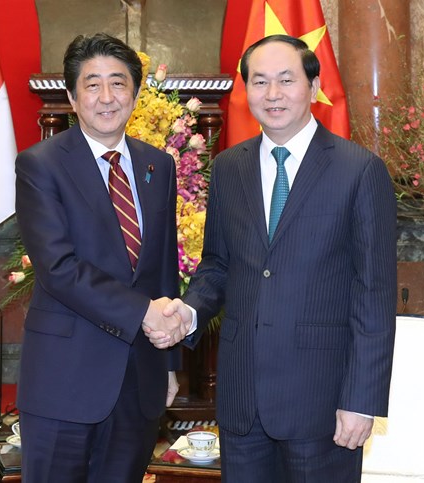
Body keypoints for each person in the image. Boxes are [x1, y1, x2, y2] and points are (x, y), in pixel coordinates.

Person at [151, 34, 397, 482]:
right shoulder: (229, 167)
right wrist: (187, 312)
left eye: (287, 80)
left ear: (313, 85)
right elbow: (218, 265)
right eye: (260, 82)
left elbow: (374, 294)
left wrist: (362, 398)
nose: (273, 94)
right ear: (246, 93)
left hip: (323, 403)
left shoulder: (359, 170)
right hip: (243, 400)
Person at [14, 32, 190, 482]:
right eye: (93, 84)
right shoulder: (41, 165)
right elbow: (58, 268)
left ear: (134, 93)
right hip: (64, 382)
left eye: (119, 83)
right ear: (72, 97)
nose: (107, 97)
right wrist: (144, 314)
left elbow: (163, 267)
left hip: (140, 380)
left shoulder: (158, 165)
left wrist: (169, 363)